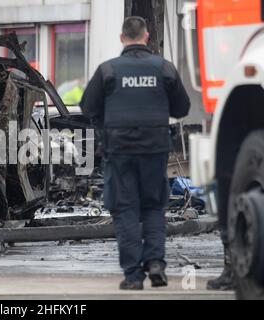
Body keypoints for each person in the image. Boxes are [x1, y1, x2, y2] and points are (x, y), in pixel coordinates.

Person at [80, 16, 190, 290]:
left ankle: (133, 276)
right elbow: (182, 109)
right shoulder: (164, 69)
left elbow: (87, 107)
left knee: (125, 209)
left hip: (120, 151)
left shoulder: (108, 71)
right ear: (147, 37)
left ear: (122, 39)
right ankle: (155, 264)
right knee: (153, 207)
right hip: (155, 150)